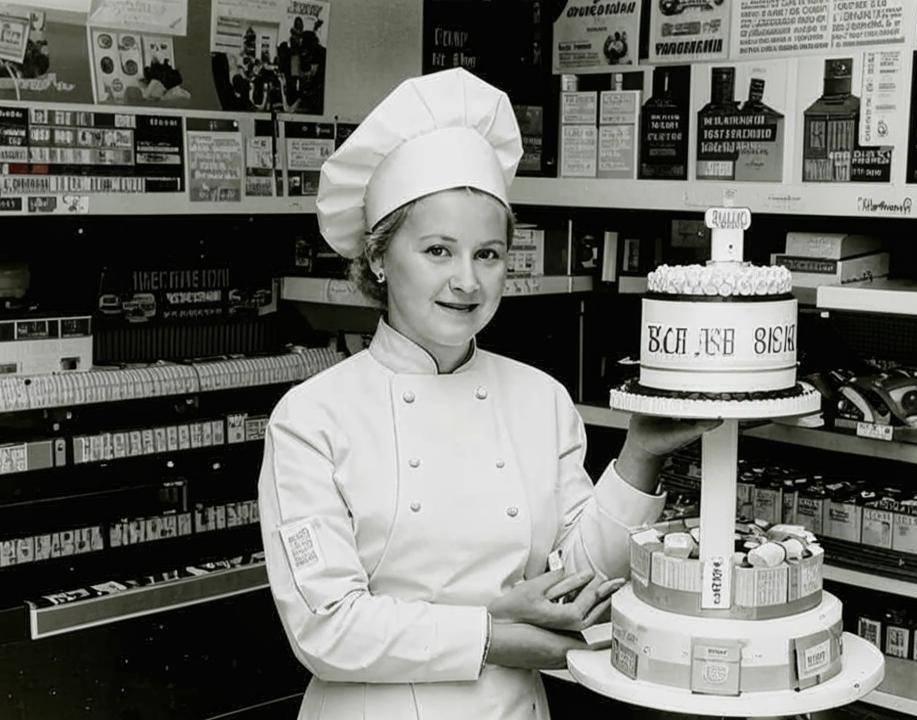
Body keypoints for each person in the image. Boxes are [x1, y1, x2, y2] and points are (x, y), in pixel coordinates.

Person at [257, 67, 718, 720]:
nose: (467, 282)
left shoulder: (540, 398)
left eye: (489, 254)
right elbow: (328, 631)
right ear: (381, 258)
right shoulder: (312, 419)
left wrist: (639, 455)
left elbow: (583, 577)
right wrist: (496, 629)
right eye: (439, 251)